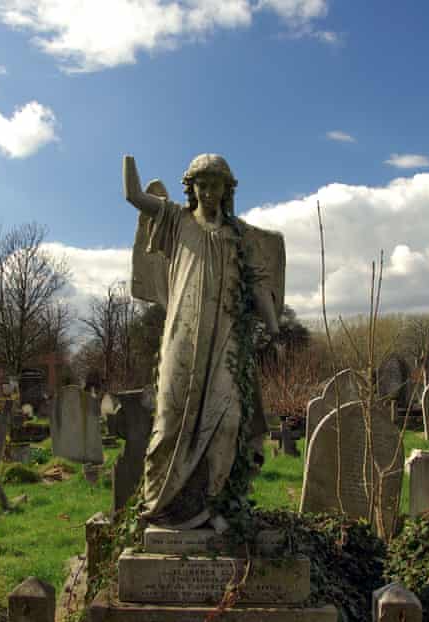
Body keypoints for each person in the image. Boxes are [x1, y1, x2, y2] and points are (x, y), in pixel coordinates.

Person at [123, 153, 285, 531]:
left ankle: (215, 506)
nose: (209, 192)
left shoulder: (239, 236)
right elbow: (133, 196)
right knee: (169, 420)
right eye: (203, 184)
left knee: (227, 423)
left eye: (217, 185)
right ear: (191, 188)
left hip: (226, 340)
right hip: (184, 335)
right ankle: (160, 505)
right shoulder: (176, 221)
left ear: (228, 190)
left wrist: (275, 329)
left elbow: (259, 286)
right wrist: (129, 160)